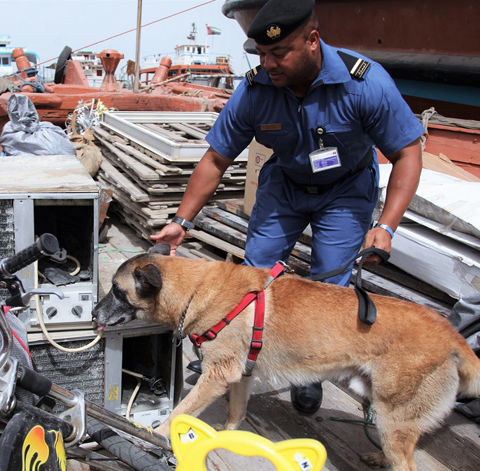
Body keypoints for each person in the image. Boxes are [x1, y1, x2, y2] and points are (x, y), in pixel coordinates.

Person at [151, 0, 424, 415]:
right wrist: (180, 221)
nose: (268, 63)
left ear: (313, 41)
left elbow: (407, 152)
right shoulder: (256, 90)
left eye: (279, 53)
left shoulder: (364, 83)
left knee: (329, 291)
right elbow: (215, 159)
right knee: (251, 279)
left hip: (346, 190)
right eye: (261, 54)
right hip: (286, 184)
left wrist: (386, 226)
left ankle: (308, 374)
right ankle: (231, 355)